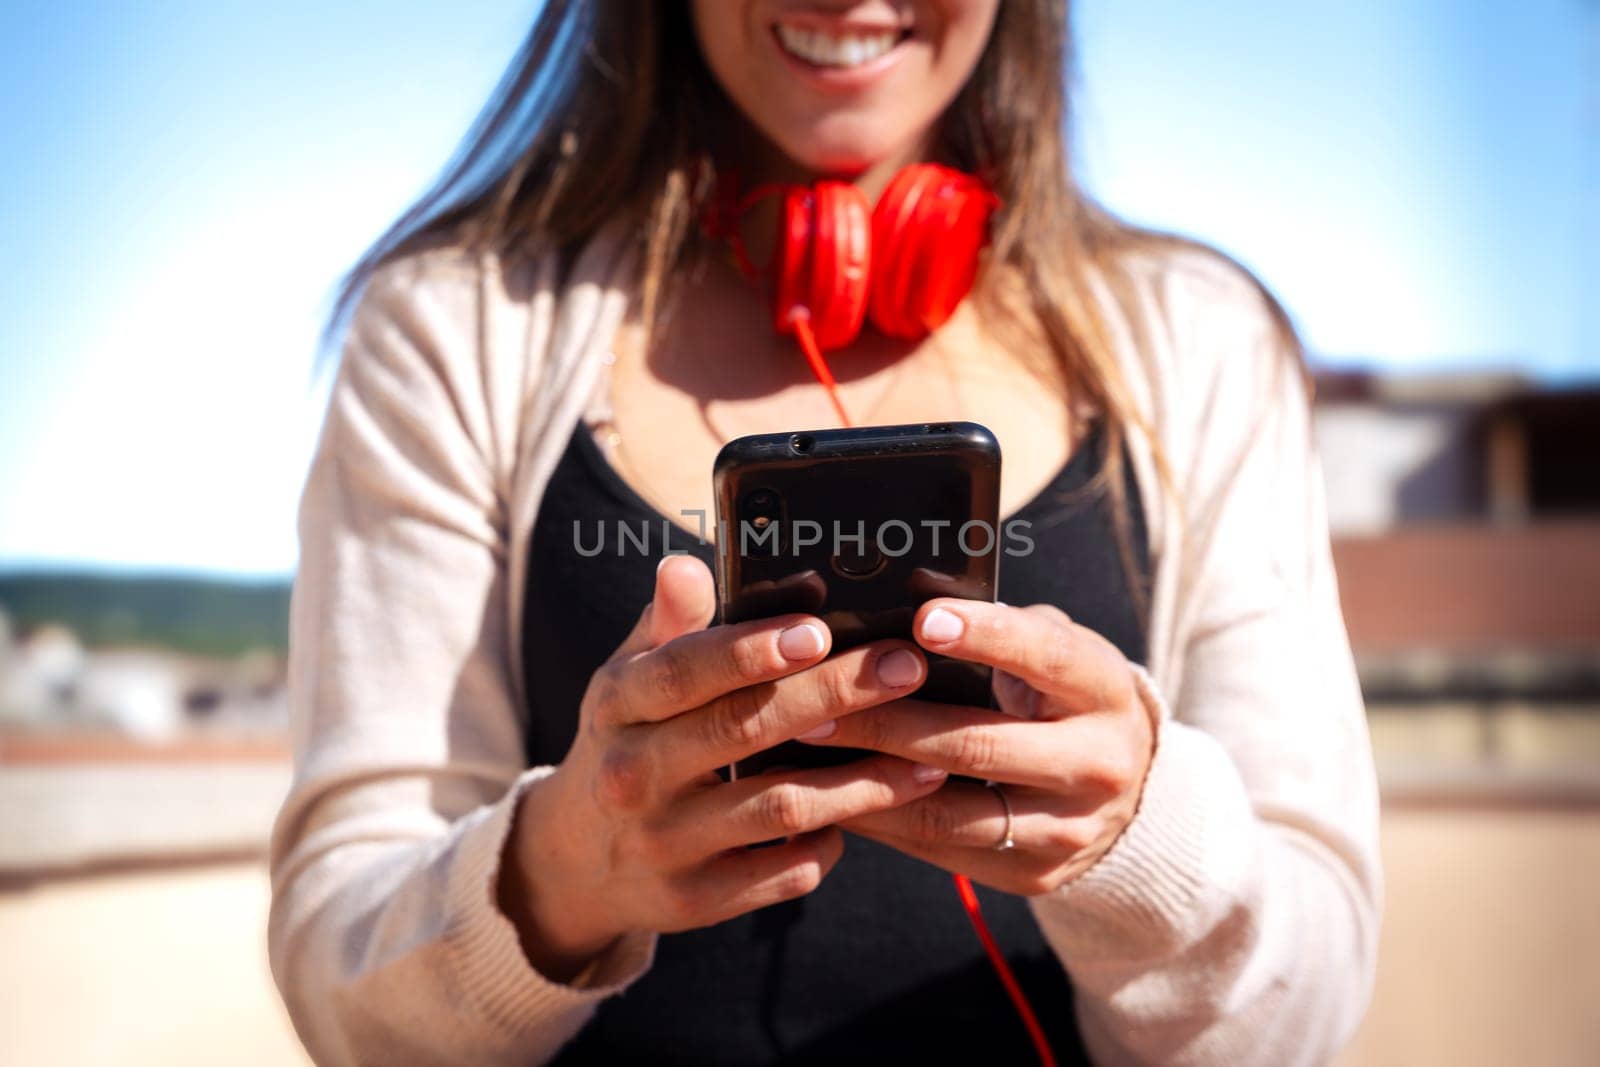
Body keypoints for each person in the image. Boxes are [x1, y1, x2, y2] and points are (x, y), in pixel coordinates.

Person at [267, 2, 1382, 1064]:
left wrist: (1144, 838)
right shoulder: (453, 326)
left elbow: (1309, 1010)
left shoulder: (1206, 343)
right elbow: (349, 1001)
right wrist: (561, 871)